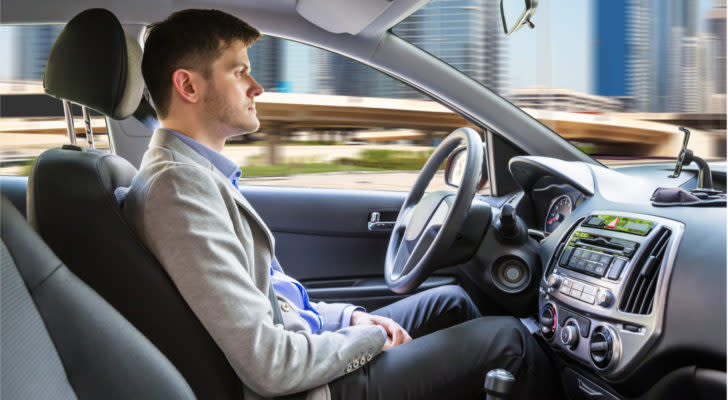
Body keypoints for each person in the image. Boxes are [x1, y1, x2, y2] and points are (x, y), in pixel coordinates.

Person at [124, 9, 556, 400]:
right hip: (313, 390)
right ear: (187, 85)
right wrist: (367, 340)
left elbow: (273, 299)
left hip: (308, 350)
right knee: (510, 342)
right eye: (239, 72)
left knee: (453, 302)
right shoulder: (179, 189)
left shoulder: (196, 173)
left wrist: (348, 318)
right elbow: (270, 367)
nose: (257, 87)